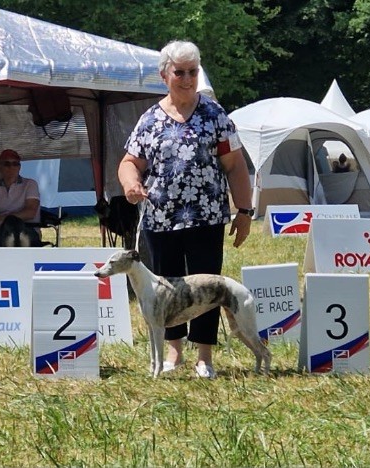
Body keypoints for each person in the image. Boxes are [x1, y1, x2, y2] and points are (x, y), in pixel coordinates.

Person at [118, 40, 253, 379]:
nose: (188, 78)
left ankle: (205, 357)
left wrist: (245, 211)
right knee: (167, 287)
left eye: (193, 72)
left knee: (206, 286)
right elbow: (129, 162)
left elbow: (235, 165)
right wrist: (131, 183)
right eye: (180, 72)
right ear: (165, 75)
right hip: (161, 218)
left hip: (207, 216)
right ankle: (173, 352)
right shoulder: (150, 120)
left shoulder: (215, 116)